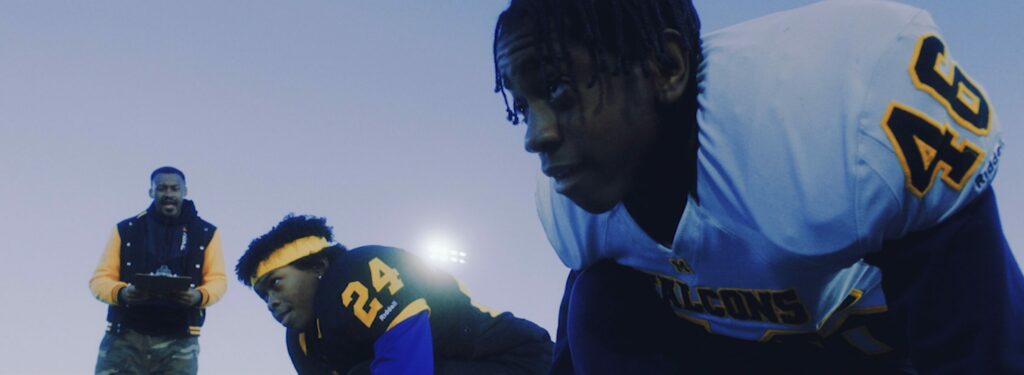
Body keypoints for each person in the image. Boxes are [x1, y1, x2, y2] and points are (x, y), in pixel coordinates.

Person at [491, 0, 1023, 373]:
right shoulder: (575, 211)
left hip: (881, 348)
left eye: (559, 91)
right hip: (746, 352)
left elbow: (978, 338)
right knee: (598, 302)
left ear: (667, 67)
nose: (537, 137)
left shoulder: (825, 114)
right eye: (524, 105)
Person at [235, 214, 553, 375]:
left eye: (276, 284)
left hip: (517, 360)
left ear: (318, 265)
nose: (271, 302)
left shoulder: (354, 273)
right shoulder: (302, 341)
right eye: (262, 296)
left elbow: (407, 368)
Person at [89, 166, 227, 375]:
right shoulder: (126, 229)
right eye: (162, 188)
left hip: (179, 341)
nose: (169, 194)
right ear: (151, 192)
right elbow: (99, 280)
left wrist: (199, 295)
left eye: (174, 188)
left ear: (185, 191)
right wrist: (123, 293)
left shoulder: (206, 233)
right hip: (125, 338)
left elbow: (218, 280)